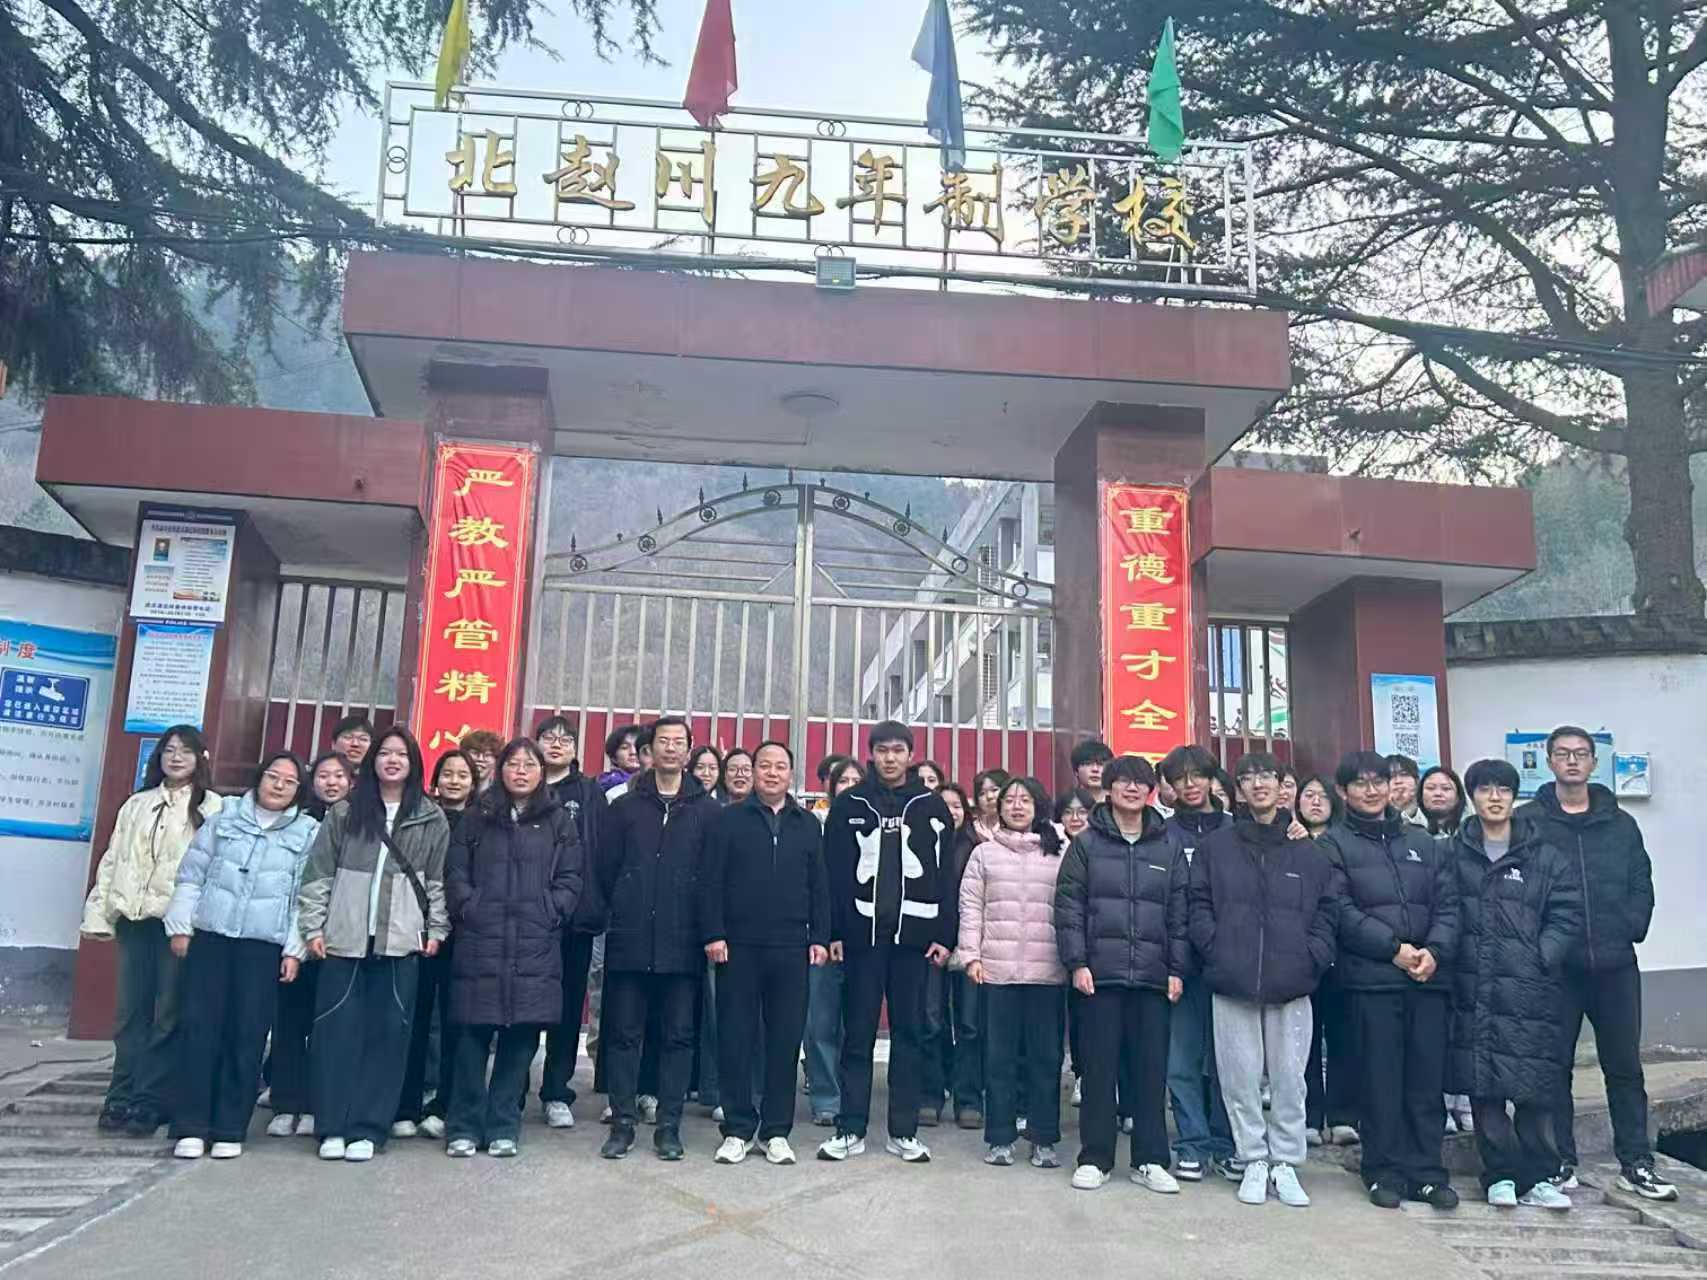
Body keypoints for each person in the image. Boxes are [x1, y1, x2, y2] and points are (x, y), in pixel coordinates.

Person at [1519, 726, 1675, 1201]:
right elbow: (1518, 888)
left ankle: (1636, 1162)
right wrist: (1539, 946)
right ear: (1549, 761)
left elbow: (1641, 881)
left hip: (1615, 965)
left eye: (1581, 754)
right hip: (1556, 969)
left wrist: (1630, 925)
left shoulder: (1620, 823)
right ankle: (1559, 1162)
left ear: (1593, 762)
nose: (1572, 761)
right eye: (1563, 753)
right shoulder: (1529, 822)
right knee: (1554, 1069)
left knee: (1624, 1067)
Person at [1190, 751, 1338, 1209]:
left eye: (1267, 777)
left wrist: (1312, 957)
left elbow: (1328, 910)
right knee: (1239, 1078)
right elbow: (1198, 904)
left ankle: (1286, 1162)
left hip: (1292, 981)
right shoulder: (1217, 847)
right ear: (1237, 790)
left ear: (1282, 787)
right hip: (1232, 979)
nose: (1258, 785)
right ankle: (1252, 1157)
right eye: (1248, 778)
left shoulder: (1307, 851)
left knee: (1291, 1079)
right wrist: (1215, 949)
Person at [297, 726, 450, 1163]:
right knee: (334, 1035)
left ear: (413, 763)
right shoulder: (345, 812)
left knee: (388, 1038)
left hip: (400, 941)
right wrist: (313, 927)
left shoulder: (430, 817)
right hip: (343, 939)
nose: (392, 760)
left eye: (401, 754)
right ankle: (332, 1125)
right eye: (385, 753)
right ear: (372, 761)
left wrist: (436, 929)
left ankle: (368, 1128)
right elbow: (319, 874)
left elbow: (436, 880)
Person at [1319, 750, 1459, 1210]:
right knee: (1380, 1082)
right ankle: (1383, 1171)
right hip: (1371, 982)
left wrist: (1434, 951)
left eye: (1378, 781)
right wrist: (1393, 949)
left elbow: (1449, 905)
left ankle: (1428, 1173)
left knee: (1426, 1083)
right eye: (1360, 783)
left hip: (1427, 980)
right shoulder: (1333, 845)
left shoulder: (1423, 842)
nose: (1372, 790)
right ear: (1343, 792)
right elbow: (1340, 911)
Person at [164, 752, 318, 1159]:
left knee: (247, 1034)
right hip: (212, 937)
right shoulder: (225, 818)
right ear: (259, 777)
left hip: (262, 945)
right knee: (200, 1029)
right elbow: (192, 874)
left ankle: (230, 1128)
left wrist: (294, 950)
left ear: (299, 790)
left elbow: (304, 897)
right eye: (273, 776)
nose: (279, 785)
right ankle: (191, 1126)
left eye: (289, 781)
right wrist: (181, 926)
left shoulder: (307, 832)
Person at [1448, 759, 1582, 1211]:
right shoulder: (1454, 853)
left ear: (1514, 796)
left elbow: (1567, 913)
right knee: (1483, 1085)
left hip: (1530, 988)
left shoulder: (1544, 855)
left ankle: (1541, 1175)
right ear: (1472, 797)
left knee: (1534, 1086)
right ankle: (1500, 1174)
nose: (1494, 797)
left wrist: (1542, 954)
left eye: (1503, 789)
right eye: (1485, 789)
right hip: (1473, 985)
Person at [819, 721, 954, 1163]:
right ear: (871, 754)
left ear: (910, 755)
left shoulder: (931, 806)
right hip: (862, 939)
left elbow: (946, 876)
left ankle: (903, 1131)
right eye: (882, 750)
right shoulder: (850, 804)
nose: (890, 758)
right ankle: (850, 1128)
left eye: (898, 750)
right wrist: (833, 932)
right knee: (857, 1034)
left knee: (909, 1034)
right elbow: (832, 874)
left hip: (914, 940)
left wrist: (945, 935)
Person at [442, 738, 582, 1158]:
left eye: (529, 765)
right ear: (500, 769)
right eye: (513, 764)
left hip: (534, 943)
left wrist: (550, 910)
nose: (521, 771)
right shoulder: (477, 817)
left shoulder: (558, 821)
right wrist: (469, 907)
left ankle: (504, 1124)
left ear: (542, 772)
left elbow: (571, 878)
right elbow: (455, 873)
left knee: (520, 1039)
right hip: (481, 941)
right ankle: (463, 1125)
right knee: (471, 1037)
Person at [81, 726, 222, 1137]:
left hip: (178, 926)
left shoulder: (213, 807)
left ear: (201, 758)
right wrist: (98, 916)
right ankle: (119, 1094)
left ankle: (150, 1099)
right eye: (169, 750)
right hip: (134, 920)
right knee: (130, 1014)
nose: (176, 758)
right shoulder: (136, 804)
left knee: (168, 1015)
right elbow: (113, 861)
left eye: (186, 751)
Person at [1056, 756, 1185, 1191]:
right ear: (1108, 789)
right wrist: (1077, 962)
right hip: (1100, 975)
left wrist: (1177, 969)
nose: (1132, 789)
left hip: (1153, 977)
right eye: (1123, 781)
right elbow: (1069, 908)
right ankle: (1096, 1157)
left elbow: (1179, 914)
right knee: (1098, 1070)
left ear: (1151, 791)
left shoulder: (1167, 846)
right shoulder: (1087, 844)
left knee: (1150, 1072)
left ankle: (1150, 1160)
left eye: (1140, 782)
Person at [597, 716, 720, 1161]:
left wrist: (710, 932)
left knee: (678, 1037)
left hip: (683, 943)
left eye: (678, 742)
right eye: (662, 741)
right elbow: (605, 868)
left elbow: (714, 880)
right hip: (629, 939)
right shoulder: (625, 808)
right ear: (649, 750)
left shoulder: (708, 812)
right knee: (624, 1035)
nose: (670, 748)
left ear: (689, 750)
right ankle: (622, 1123)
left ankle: (669, 1127)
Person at [702, 741, 831, 1165]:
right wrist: (714, 933)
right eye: (764, 766)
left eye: (780, 767)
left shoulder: (807, 824)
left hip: (791, 947)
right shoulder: (729, 820)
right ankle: (738, 1128)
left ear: (791, 774)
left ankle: (776, 1130)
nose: (772, 773)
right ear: (753, 771)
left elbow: (819, 885)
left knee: (784, 1039)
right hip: (737, 946)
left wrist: (820, 937)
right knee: (735, 1036)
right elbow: (711, 880)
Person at [958, 776, 1069, 1171]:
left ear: (1039, 806)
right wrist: (971, 955)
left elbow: (1072, 907)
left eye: (1025, 800)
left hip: (1047, 971)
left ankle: (1044, 1139)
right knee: (999, 1059)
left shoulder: (1059, 851)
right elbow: (971, 907)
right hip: (998, 970)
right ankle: (1000, 1137)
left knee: (1046, 1059)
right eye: (1009, 801)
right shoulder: (984, 854)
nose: (1017, 807)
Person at [1158, 744, 1236, 1182]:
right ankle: (1191, 1143)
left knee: (1229, 1062)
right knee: (1181, 1061)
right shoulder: (1163, 834)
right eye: (1179, 779)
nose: (1189, 785)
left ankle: (1226, 1143)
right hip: (1179, 965)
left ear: (1212, 779)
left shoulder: (1236, 830)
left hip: (1229, 964)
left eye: (1197, 776)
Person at [266, 752, 351, 1138]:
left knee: (327, 1029)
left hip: (337, 941)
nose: (331, 783)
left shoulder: (358, 824)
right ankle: (285, 1102)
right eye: (323, 776)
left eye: (339, 776)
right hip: (293, 936)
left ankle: (317, 1104)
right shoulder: (296, 822)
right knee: (289, 1024)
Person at [532, 716, 609, 1130]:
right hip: (525, 917)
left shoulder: (588, 792)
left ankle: (556, 1091)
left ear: (576, 749)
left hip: (573, 917)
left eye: (565, 739)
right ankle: (512, 1087)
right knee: (523, 1003)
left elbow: (600, 851)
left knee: (566, 1004)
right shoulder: (522, 786)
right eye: (549, 738)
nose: (557, 745)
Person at [399, 749, 478, 1141]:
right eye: (448, 773)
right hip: (417, 928)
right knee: (414, 1018)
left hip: (462, 933)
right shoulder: (420, 817)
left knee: (455, 1022)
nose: (454, 780)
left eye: (463, 775)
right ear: (435, 779)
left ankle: (445, 1103)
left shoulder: (481, 821)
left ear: (474, 783)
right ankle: (405, 1103)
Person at [1296, 774, 1358, 1149]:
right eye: (1308, 795)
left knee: (1342, 1037)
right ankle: (1310, 1115)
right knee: (1303, 1040)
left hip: (1343, 953)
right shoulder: (1289, 841)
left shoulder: (1345, 841)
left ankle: (1342, 1116)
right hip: (1301, 953)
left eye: (1322, 796)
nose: (1315, 801)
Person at [802, 756, 863, 1127]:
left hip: (865, 940)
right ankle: (826, 1097)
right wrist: (824, 935)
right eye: (844, 781)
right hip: (824, 937)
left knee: (855, 1025)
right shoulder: (815, 825)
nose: (850, 787)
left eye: (857, 780)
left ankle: (854, 1097)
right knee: (820, 1022)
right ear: (831, 786)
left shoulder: (876, 825)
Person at [932, 781, 983, 1129]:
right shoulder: (919, 843)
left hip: (968, 947)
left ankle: (968, 1098)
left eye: (956, 805)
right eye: (943, 804)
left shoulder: (977, 847)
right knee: (931, 1021)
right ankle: (931, 1093)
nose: (950, 811)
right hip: (929, 947)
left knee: (970, 1025)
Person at [1419, 766, 1465, 838]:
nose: (1438, 793)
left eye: (1446, 788)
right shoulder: (1410, 829)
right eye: (1430, 788)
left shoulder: (1470, 830)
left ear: (1458, 797)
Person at [1387, 754, 1427, 829]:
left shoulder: (1430, 813)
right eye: (1391, 776)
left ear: (1417, 781)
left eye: (1404, 774)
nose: (1398, 781)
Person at [1070, 739, 1113, 807]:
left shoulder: (1119, 805)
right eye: (1088, 764)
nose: (1095, 769)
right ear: (1076, 771)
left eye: (1101, 764)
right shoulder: (1067, 805)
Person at [600, 724, 642, 792]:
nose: (633, 752)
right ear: (613, 758)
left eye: (638, 746)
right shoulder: (609, 785)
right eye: (624, 747)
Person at [970, 768, 1009, 842]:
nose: (989, 797)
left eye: (994, 790)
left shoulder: (1017, 826)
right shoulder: (971, 830)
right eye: (982, 793)